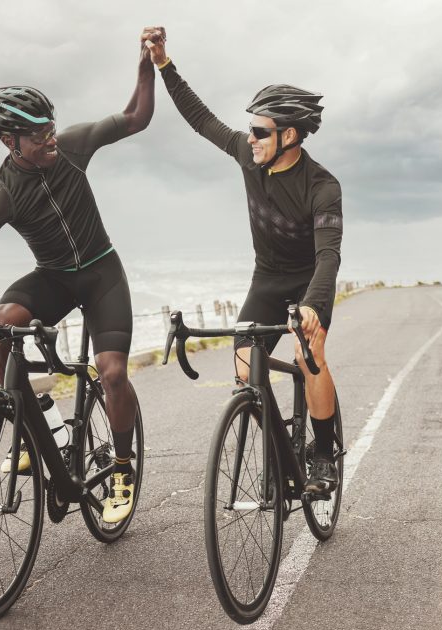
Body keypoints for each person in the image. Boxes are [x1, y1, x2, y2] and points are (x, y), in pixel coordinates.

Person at [0, 38, 157, 524]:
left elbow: (135, 117)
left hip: (103, 273)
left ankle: (123, 469)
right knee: (2, 329)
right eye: (39, 134)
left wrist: (145, 68)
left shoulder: (74, 146)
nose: (51, 139)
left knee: (111, 372)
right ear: (9, 141)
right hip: (55, 278)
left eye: (52, 128)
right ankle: (39, 423)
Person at [141, 27, 342, 494]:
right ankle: (282, 450)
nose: (249, 137)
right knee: (243, 367)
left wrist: (312, 309)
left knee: (308, 357)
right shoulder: (247, 157)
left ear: (289, 135)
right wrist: (164, 63)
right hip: (268, 279)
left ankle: (325, 455)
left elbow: (329, 255)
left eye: (259, 130)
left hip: (310, 281)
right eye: (249, 128)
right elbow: (199, 117)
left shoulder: (322, 186)